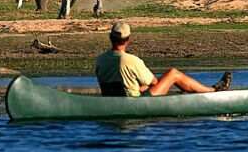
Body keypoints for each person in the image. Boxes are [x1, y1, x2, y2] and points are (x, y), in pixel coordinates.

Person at [95, 22, 231, 97]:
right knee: (173, 74)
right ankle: (212, 91)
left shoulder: (100, 60)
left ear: (110, 37)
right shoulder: (131, 60)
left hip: (113, 99)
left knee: (157, 80)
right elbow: (154, 83)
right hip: (136, 102)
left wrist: (141, 87)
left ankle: (192, 90)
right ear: (128, 40)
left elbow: (117, 86)